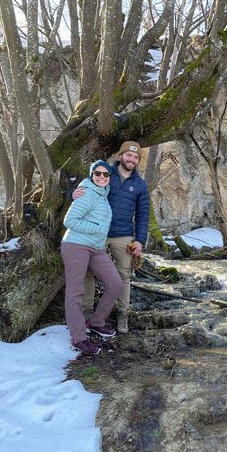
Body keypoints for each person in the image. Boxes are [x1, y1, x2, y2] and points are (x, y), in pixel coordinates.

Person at [73, 141, 150, 334]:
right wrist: (71, 194)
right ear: (120, 156)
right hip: (97, 233)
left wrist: (140, 240)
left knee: (124, 275)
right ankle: (87, 311)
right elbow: (86, 190)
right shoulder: (105, 174)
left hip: (124, 235)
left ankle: (122, 314)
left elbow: (143, 215)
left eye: (135, 157)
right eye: (128, 155)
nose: (131, 159)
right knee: (88, 272)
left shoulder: (140, 185)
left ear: (138, 161)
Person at [61, 160, 124, 355]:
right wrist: (96, 230)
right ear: (91, 175)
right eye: (98, 174)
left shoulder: (103, 195)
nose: (102, 177)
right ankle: (78, 337)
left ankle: (96, 322)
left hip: (96, 248)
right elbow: (69, 220)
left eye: (106, 175)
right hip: (76, 245)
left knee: (116, 284)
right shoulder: (87, 192)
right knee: (75, 292)